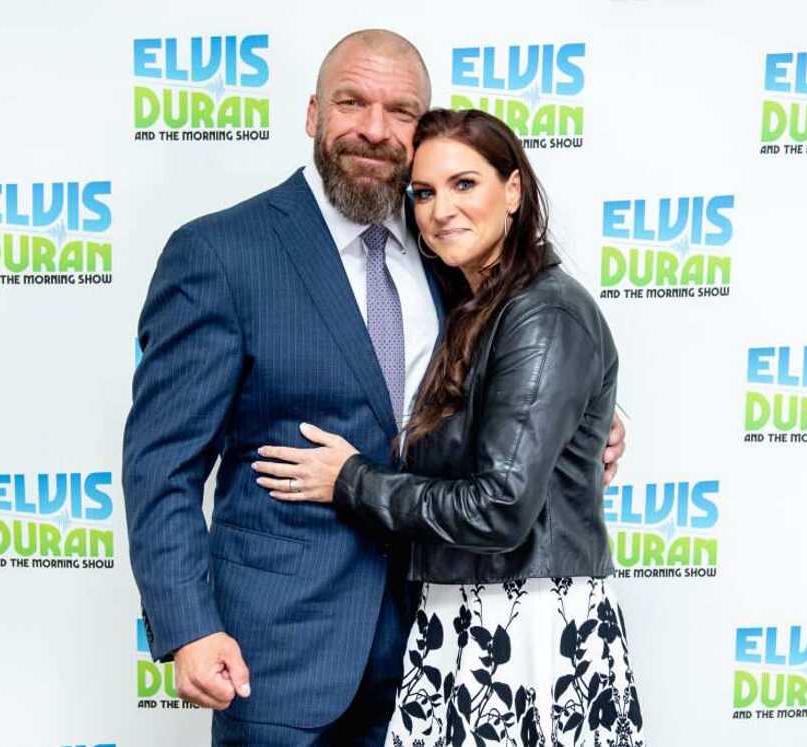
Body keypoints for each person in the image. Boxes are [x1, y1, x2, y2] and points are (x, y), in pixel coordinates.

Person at [123, 29, 627, 745]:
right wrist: (190, 626)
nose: (373, 128)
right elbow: (161, 463)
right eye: (351, 102)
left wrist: (588, 414)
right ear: (311, 113)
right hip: (279, 655)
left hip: (444, 652)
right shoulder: (220, 253)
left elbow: (523, 362)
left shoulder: (450, 252)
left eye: (401, 112)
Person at [252, 108, 644, 746]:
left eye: (465, 184)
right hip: (463, 613)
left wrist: (352, 481)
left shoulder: (541, 313)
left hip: (523, 626)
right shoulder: (468, 303)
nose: (440, 210)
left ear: (513, 190)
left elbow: (499, 509)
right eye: (424, 192)